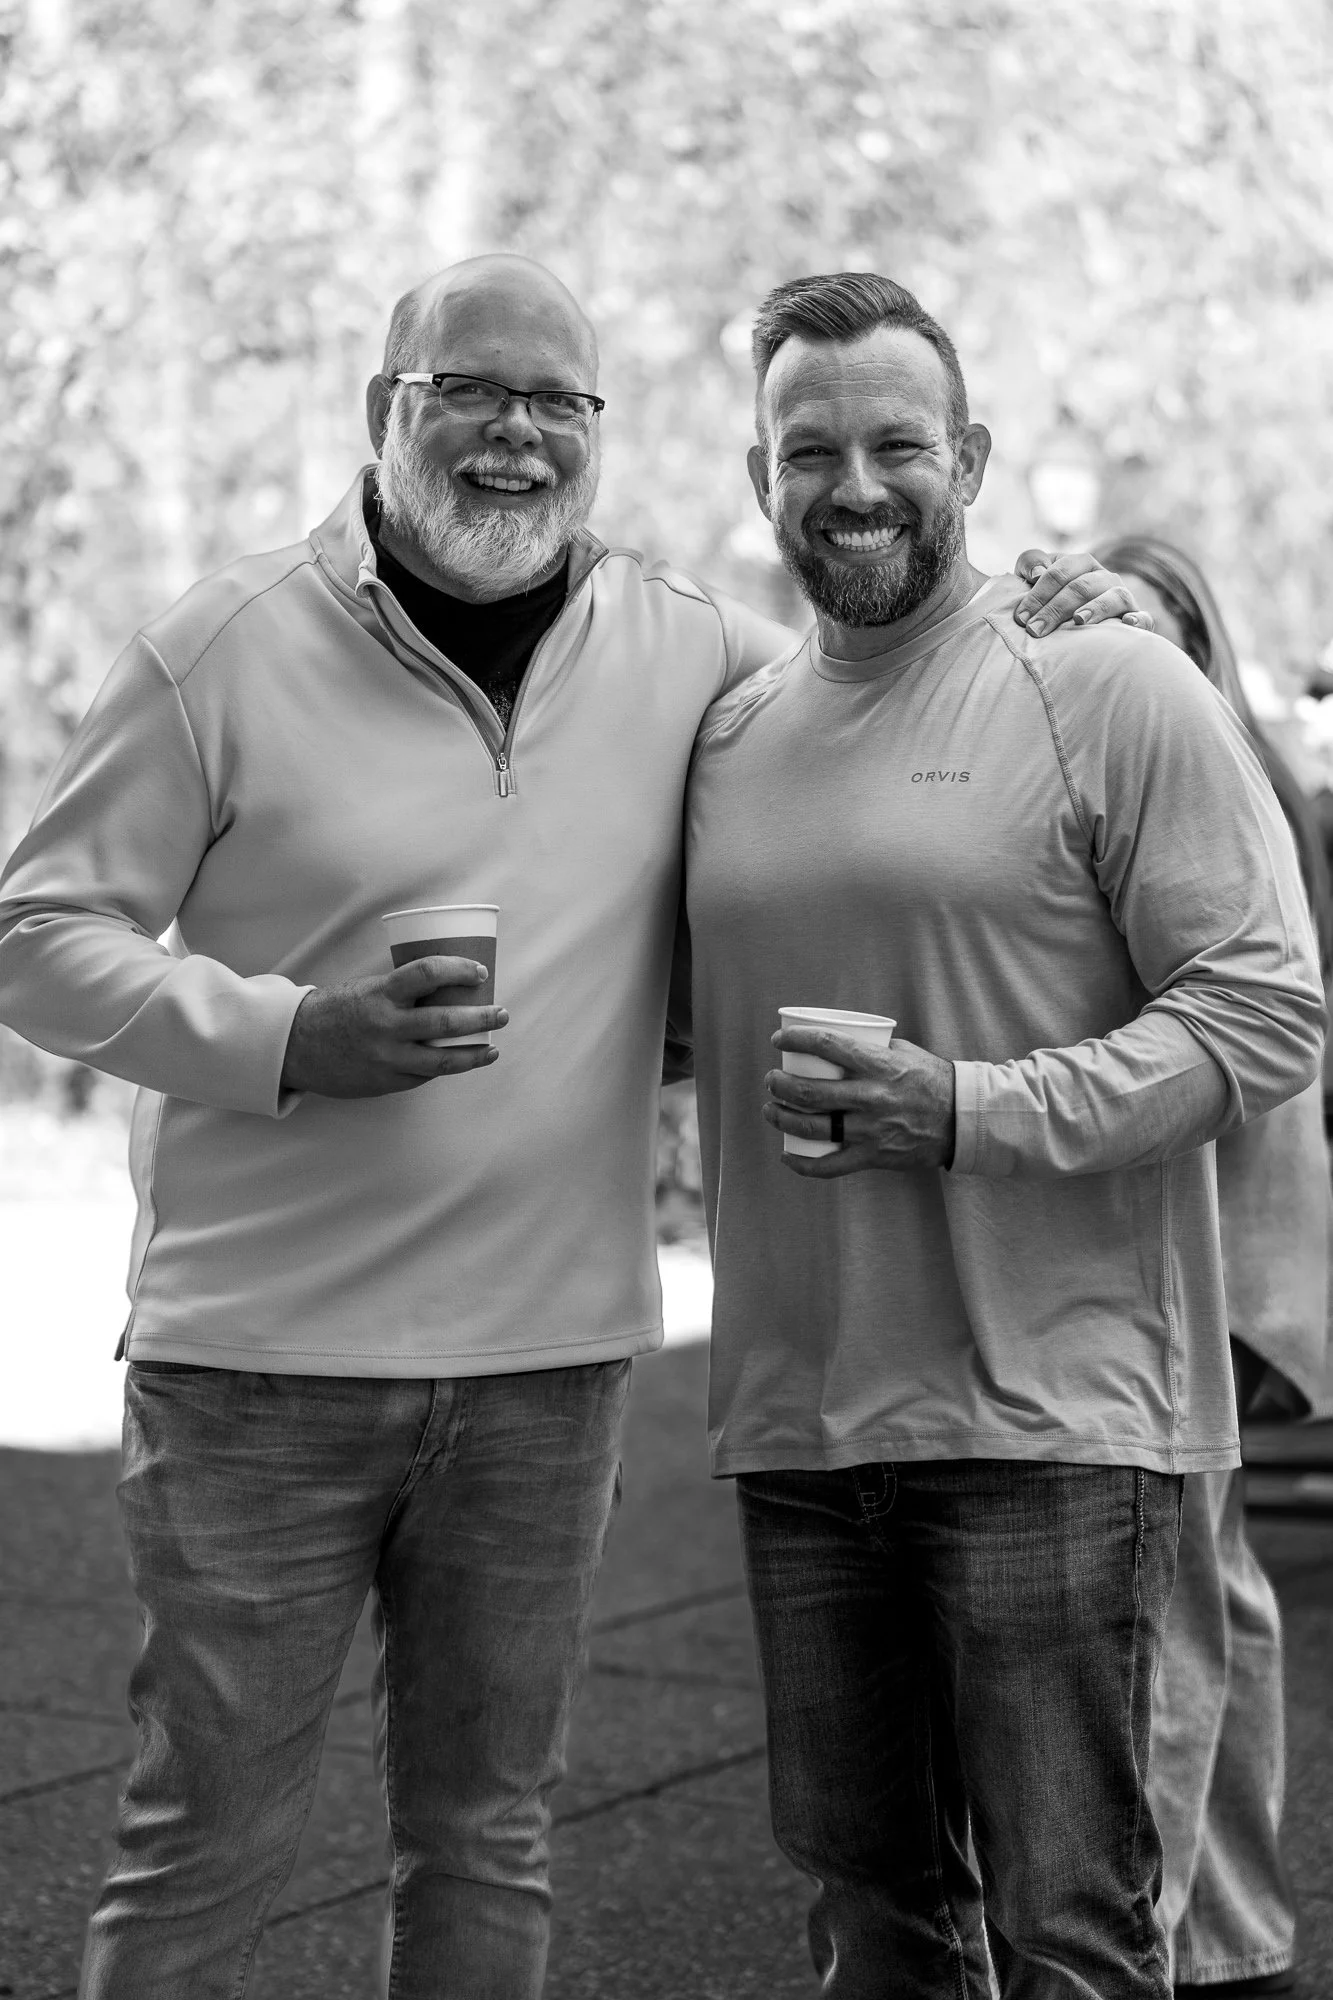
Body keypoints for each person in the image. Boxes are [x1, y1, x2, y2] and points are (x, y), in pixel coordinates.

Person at [0, 251, 1136, 2000]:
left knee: (487, 1841)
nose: (515, 436)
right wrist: (292, 1035)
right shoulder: (219, 649)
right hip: (260, 1369)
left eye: (558, 404)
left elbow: (890, 663)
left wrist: (1061, 612)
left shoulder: (679, 647)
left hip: (547, 1372)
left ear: (597, 435)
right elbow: (36, 939)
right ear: (386, 412)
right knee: (203, 1848)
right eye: (471, 391)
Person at [680, 272, 1326, 2000]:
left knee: (1078, 1939)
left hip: (1058, 1420)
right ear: (761, 481)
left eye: (898, 442)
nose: (857, 484)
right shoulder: (729, 737)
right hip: (803, 1425)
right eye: (810, 449)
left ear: (966, 455)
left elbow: (1266, 1013)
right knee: (874, 1924)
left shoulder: (1107, 686)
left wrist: (968, 1110)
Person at [1098, 535, 1333, 2000]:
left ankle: (1177, 1930)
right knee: (1213, 1585)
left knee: (1173, 1602)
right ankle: (1231, 1931)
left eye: (1144, 628)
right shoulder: (1250, 776)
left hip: (1219, 1252)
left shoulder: (1216, 778)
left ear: (1191, 637)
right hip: (1247, 1249)